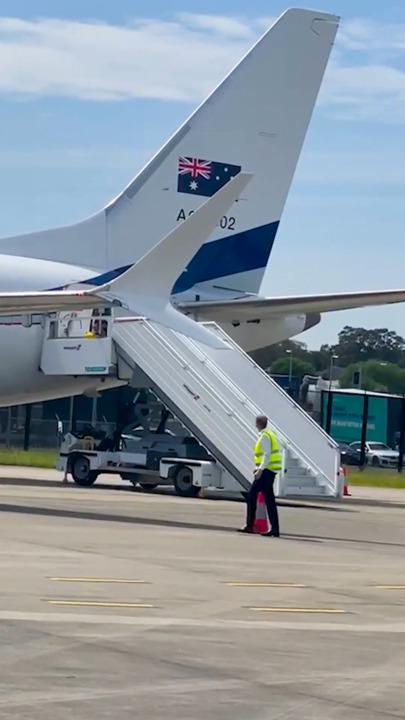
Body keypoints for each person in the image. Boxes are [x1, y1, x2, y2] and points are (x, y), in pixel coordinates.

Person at [239, 415, 281, 537]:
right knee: (269, 500)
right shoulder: (270, 434)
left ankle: (250, 525)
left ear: (257, 423)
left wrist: (260, 470)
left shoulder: (264, 437)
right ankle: (275, 529)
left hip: (266, 471)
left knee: (251, 496)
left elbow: (266, 455)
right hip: (270, 470)